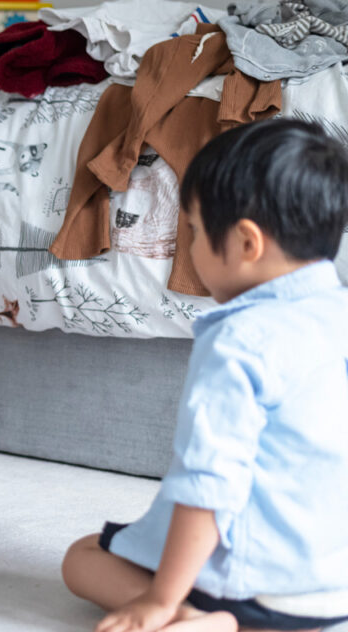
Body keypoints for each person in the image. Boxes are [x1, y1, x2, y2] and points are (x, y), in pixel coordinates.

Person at [61, 118, 348, 632]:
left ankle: (196, 618)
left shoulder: (240, 338)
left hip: (257, 581)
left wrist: (160, 600)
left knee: (83, 558)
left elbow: (209, 486)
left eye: (191, 230)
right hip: (333, 589)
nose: (186, 249)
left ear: (245, 243)